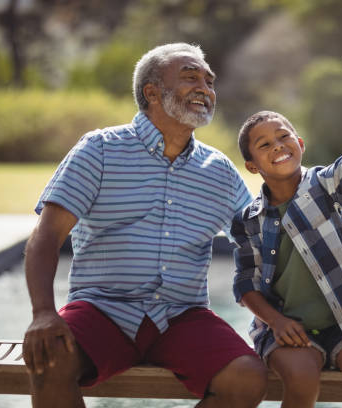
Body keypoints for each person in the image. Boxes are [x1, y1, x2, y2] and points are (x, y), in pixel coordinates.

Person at [22, 43, 267, 408]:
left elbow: (262, 239)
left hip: (182, 316)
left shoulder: (218, 171)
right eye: (190, 77)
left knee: (247, 376)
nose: (205, 87)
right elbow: (46, 237)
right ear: (151, 92)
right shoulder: (99, 150)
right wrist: (42, 312)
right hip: (102, 309)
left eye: (209, 80)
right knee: (49, 358)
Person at [231, 79, 342, 408]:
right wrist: (277, 322)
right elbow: (245, 286)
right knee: (301, 381)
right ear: (253, 165)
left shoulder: (325, 187)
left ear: (299, 143)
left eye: (284, 136)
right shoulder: (247, 220)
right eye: (264, 143)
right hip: (287, 331)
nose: (278, 145)